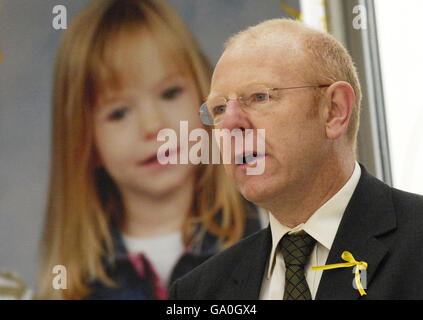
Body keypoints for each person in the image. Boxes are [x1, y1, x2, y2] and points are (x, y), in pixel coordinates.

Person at [169, 18, 423, 300]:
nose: (229, 124)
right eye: (218, 109)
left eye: (259, 97)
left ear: (334, 110)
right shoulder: (197, 293)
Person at [38, 0, 262, 300]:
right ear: (85, 143)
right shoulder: (72, 287)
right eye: (118, 113)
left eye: (170, 93)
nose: (153, 125)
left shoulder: (269, 234)